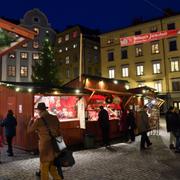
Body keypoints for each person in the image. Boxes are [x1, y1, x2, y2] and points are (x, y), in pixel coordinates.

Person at [27, 102, 62, 180]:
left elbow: (29, 130)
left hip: (45, 147)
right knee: (52, 167)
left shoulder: (39, 120)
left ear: (39, 110)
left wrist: (31, 121)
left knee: (44, 168)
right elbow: (59, 131)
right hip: (55, 146)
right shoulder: (55, 117)